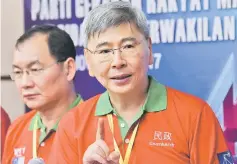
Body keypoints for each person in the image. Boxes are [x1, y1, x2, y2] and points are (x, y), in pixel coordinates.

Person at [48, 1, 233, 164]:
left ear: (149, 49)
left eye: (128, 46)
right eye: (104, 51)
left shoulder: (195, 114)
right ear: (88, 61)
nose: (117, 61)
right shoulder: (72, 124)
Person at [2, 24, 83, 164]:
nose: (25, 83)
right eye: (18, 72)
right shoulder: (17, 128)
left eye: (35, 69)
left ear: (68, 69)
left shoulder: (95, 125)